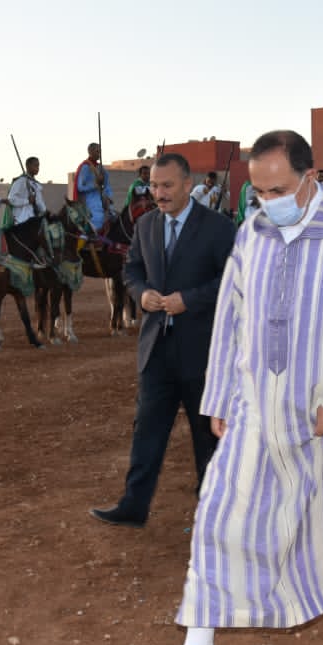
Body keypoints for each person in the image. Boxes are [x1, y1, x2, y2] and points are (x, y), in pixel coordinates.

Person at [140, 129, 323, 645]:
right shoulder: (252, 235)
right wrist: (221, 396)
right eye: (258, 192)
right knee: (219, 516)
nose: (267, 202)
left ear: (310, 178)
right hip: (257, 408)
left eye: (278, 190)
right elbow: (231, 321)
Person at [90, 152, 237, 528]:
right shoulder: (146, 225)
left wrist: (189, 299)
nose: (159, 193)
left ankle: (214, 512)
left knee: (208, 437)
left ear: (188, 184)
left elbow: (234, 280)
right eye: (155, 185)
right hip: (156, 349)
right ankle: (133, 506)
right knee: (147, 431)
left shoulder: (219, 228)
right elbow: (132, 269)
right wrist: (141, 294)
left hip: (203, 352)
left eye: (167, 185)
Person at [72, 142, 114, 232]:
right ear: (90, 152)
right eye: (97, 151)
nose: (99, 154)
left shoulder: (101, 169)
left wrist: (108, 196)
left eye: (100, 151)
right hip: (90, 201)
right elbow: (80, 187)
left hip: (102, 200)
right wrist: (94, 185)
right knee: (96, 221)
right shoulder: (85, 167)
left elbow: (107, 185)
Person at [4, 157, 48, 228]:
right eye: (35, 165)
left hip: (33, 219)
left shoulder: (36, 184)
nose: (38, 168)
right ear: (28, 166)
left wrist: (46, 212)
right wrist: (27, 201)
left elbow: (39, 202)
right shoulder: (20, 181)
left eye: (38, 166)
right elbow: (11, 199)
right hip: (21, 221)